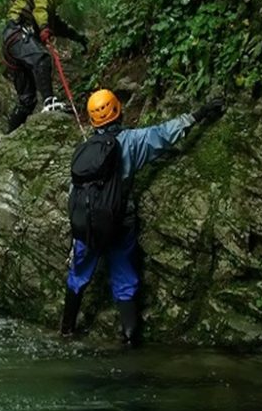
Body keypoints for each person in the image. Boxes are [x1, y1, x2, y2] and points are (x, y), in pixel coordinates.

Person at [61, 89, 225, 346]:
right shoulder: (133, 141)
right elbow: (165, 133)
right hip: (119, 221)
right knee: (124, 278)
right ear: (118, 110)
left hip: (86, 224)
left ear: (93, 121)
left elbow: (74, 191)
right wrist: (200, 114)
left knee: (78, 275)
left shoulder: (84, 150)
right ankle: (129, 340)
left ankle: (66, 331)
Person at [2, 0, 90, 133]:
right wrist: (43, 28)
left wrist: (77, 37)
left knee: (27, 101)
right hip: (18, 34)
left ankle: (7, 137)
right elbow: (40, 9)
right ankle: (50, 102)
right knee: (41, 59)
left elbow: (56, 24)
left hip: (12, 41)